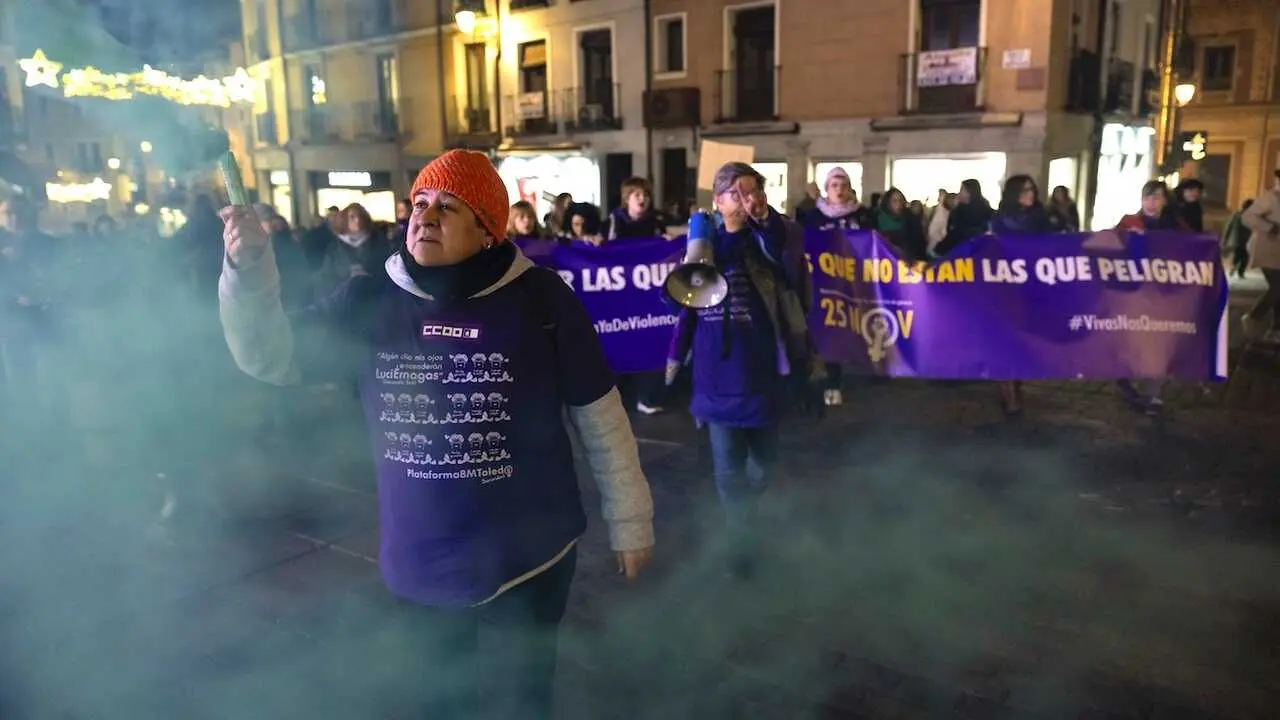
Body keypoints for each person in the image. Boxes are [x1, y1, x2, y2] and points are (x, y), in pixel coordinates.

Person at [218, 149, 655, 719]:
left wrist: (630, 518)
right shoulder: (369, 299)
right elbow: (269, 357)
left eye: (449, 205)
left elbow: (600, 414)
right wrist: (249, 272)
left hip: (532, 555)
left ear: (489, 231)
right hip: (422, 556)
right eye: (420, 202)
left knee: (526, 699)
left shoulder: (542, 300)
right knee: (435, 701)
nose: (425, 215)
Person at [666, 162, 822, 579]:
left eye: (753, 191)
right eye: (736, 193)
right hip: (717, 377)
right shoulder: (703, 242)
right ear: (717, 201)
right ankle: (741, 540)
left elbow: (792, 273)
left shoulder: (771, 241)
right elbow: (678, 303)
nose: (746, 199)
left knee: (764, 466)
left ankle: (744, 513)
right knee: (728, 471)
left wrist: (766, 221)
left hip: (761, 374)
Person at [1240, 169, 1280, 343]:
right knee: (1277, 288)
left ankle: (1276, 328)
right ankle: (1253, 316)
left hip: (1278, 252)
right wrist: (1269, 227)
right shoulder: (1270, 198)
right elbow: (1247, 217)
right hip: (1266, 250)